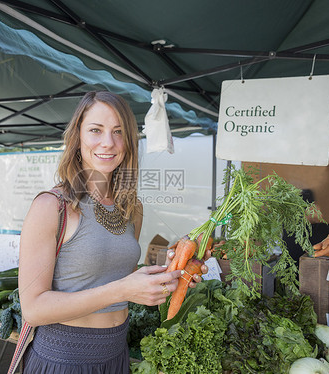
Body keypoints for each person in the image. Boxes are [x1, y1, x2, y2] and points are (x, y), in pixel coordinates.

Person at [18, 91, 208, 373]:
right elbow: (33, 309)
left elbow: (124, 282)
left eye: (118, 132)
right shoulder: (52, 206)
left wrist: (169, 276)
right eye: (96, 130)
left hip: (116, 357)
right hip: (64, 361)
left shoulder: (132, 208)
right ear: (77, 138)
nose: (108, 143)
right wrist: (121, 289)